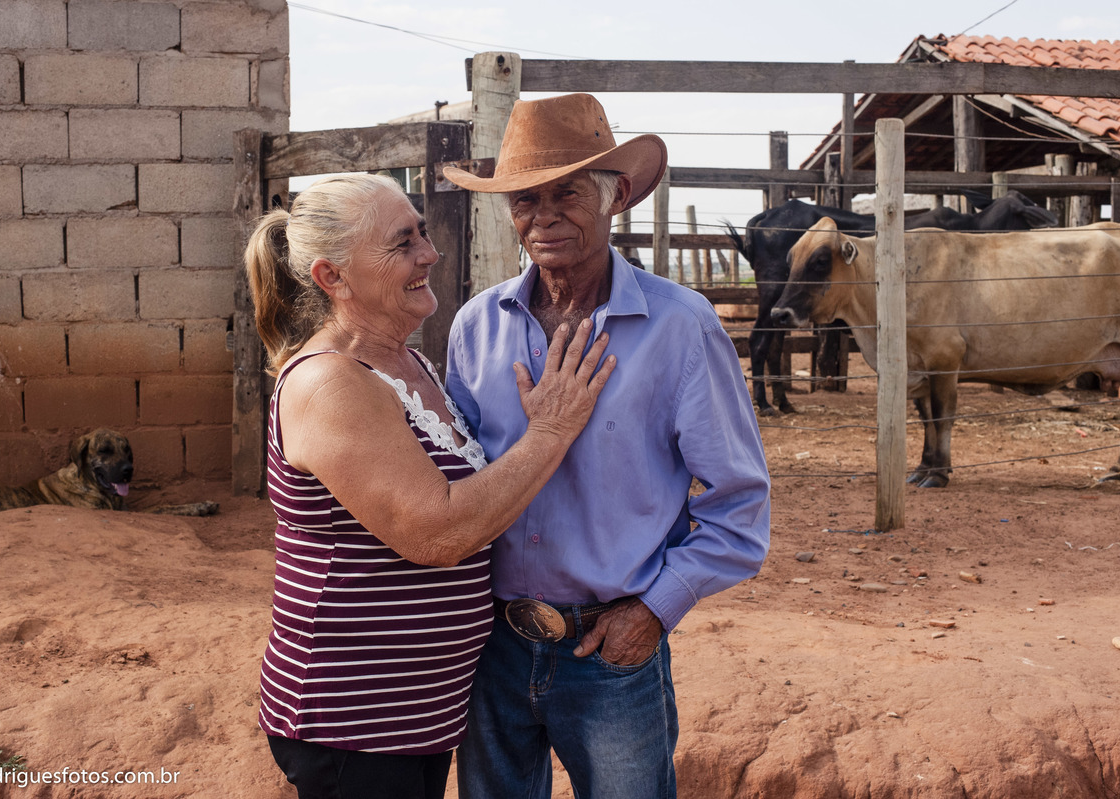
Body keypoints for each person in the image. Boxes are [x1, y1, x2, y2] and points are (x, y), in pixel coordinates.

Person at [243, 172, 616, 799]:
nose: (430, 253)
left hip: (413, 711)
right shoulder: (330, 383)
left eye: (421, 232)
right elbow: (436, 533)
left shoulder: (407, 361)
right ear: (332, 277)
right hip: (352, 714)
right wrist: (552, 432)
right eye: (402, 243)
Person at [442, 93, 772, 798]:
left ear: (616, 195)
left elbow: (740, 506)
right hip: (490, 647)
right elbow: (456, 484)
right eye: (525, 198)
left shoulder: (681, 328)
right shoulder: (477, 327)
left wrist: (656, 608)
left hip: (611, 651)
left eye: (567, 192)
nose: (544, 214)